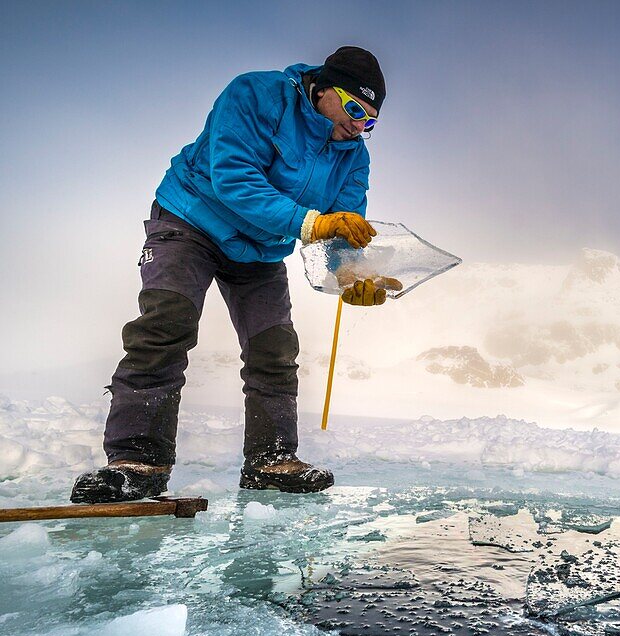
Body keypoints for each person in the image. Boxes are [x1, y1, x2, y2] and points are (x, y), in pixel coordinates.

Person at [71, 46, 394, 504]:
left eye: (371, 121)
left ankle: (270, 461)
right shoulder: (255, 94)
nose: (360, 126)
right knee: (167, 323)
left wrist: (352, 277)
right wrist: (310, 223)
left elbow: (344, 227)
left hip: (260, 248)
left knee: (275, 349)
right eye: (355, 109)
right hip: (192, 220)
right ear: (323, 88)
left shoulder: (353, 157)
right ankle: (135, 462)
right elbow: (234, 178)